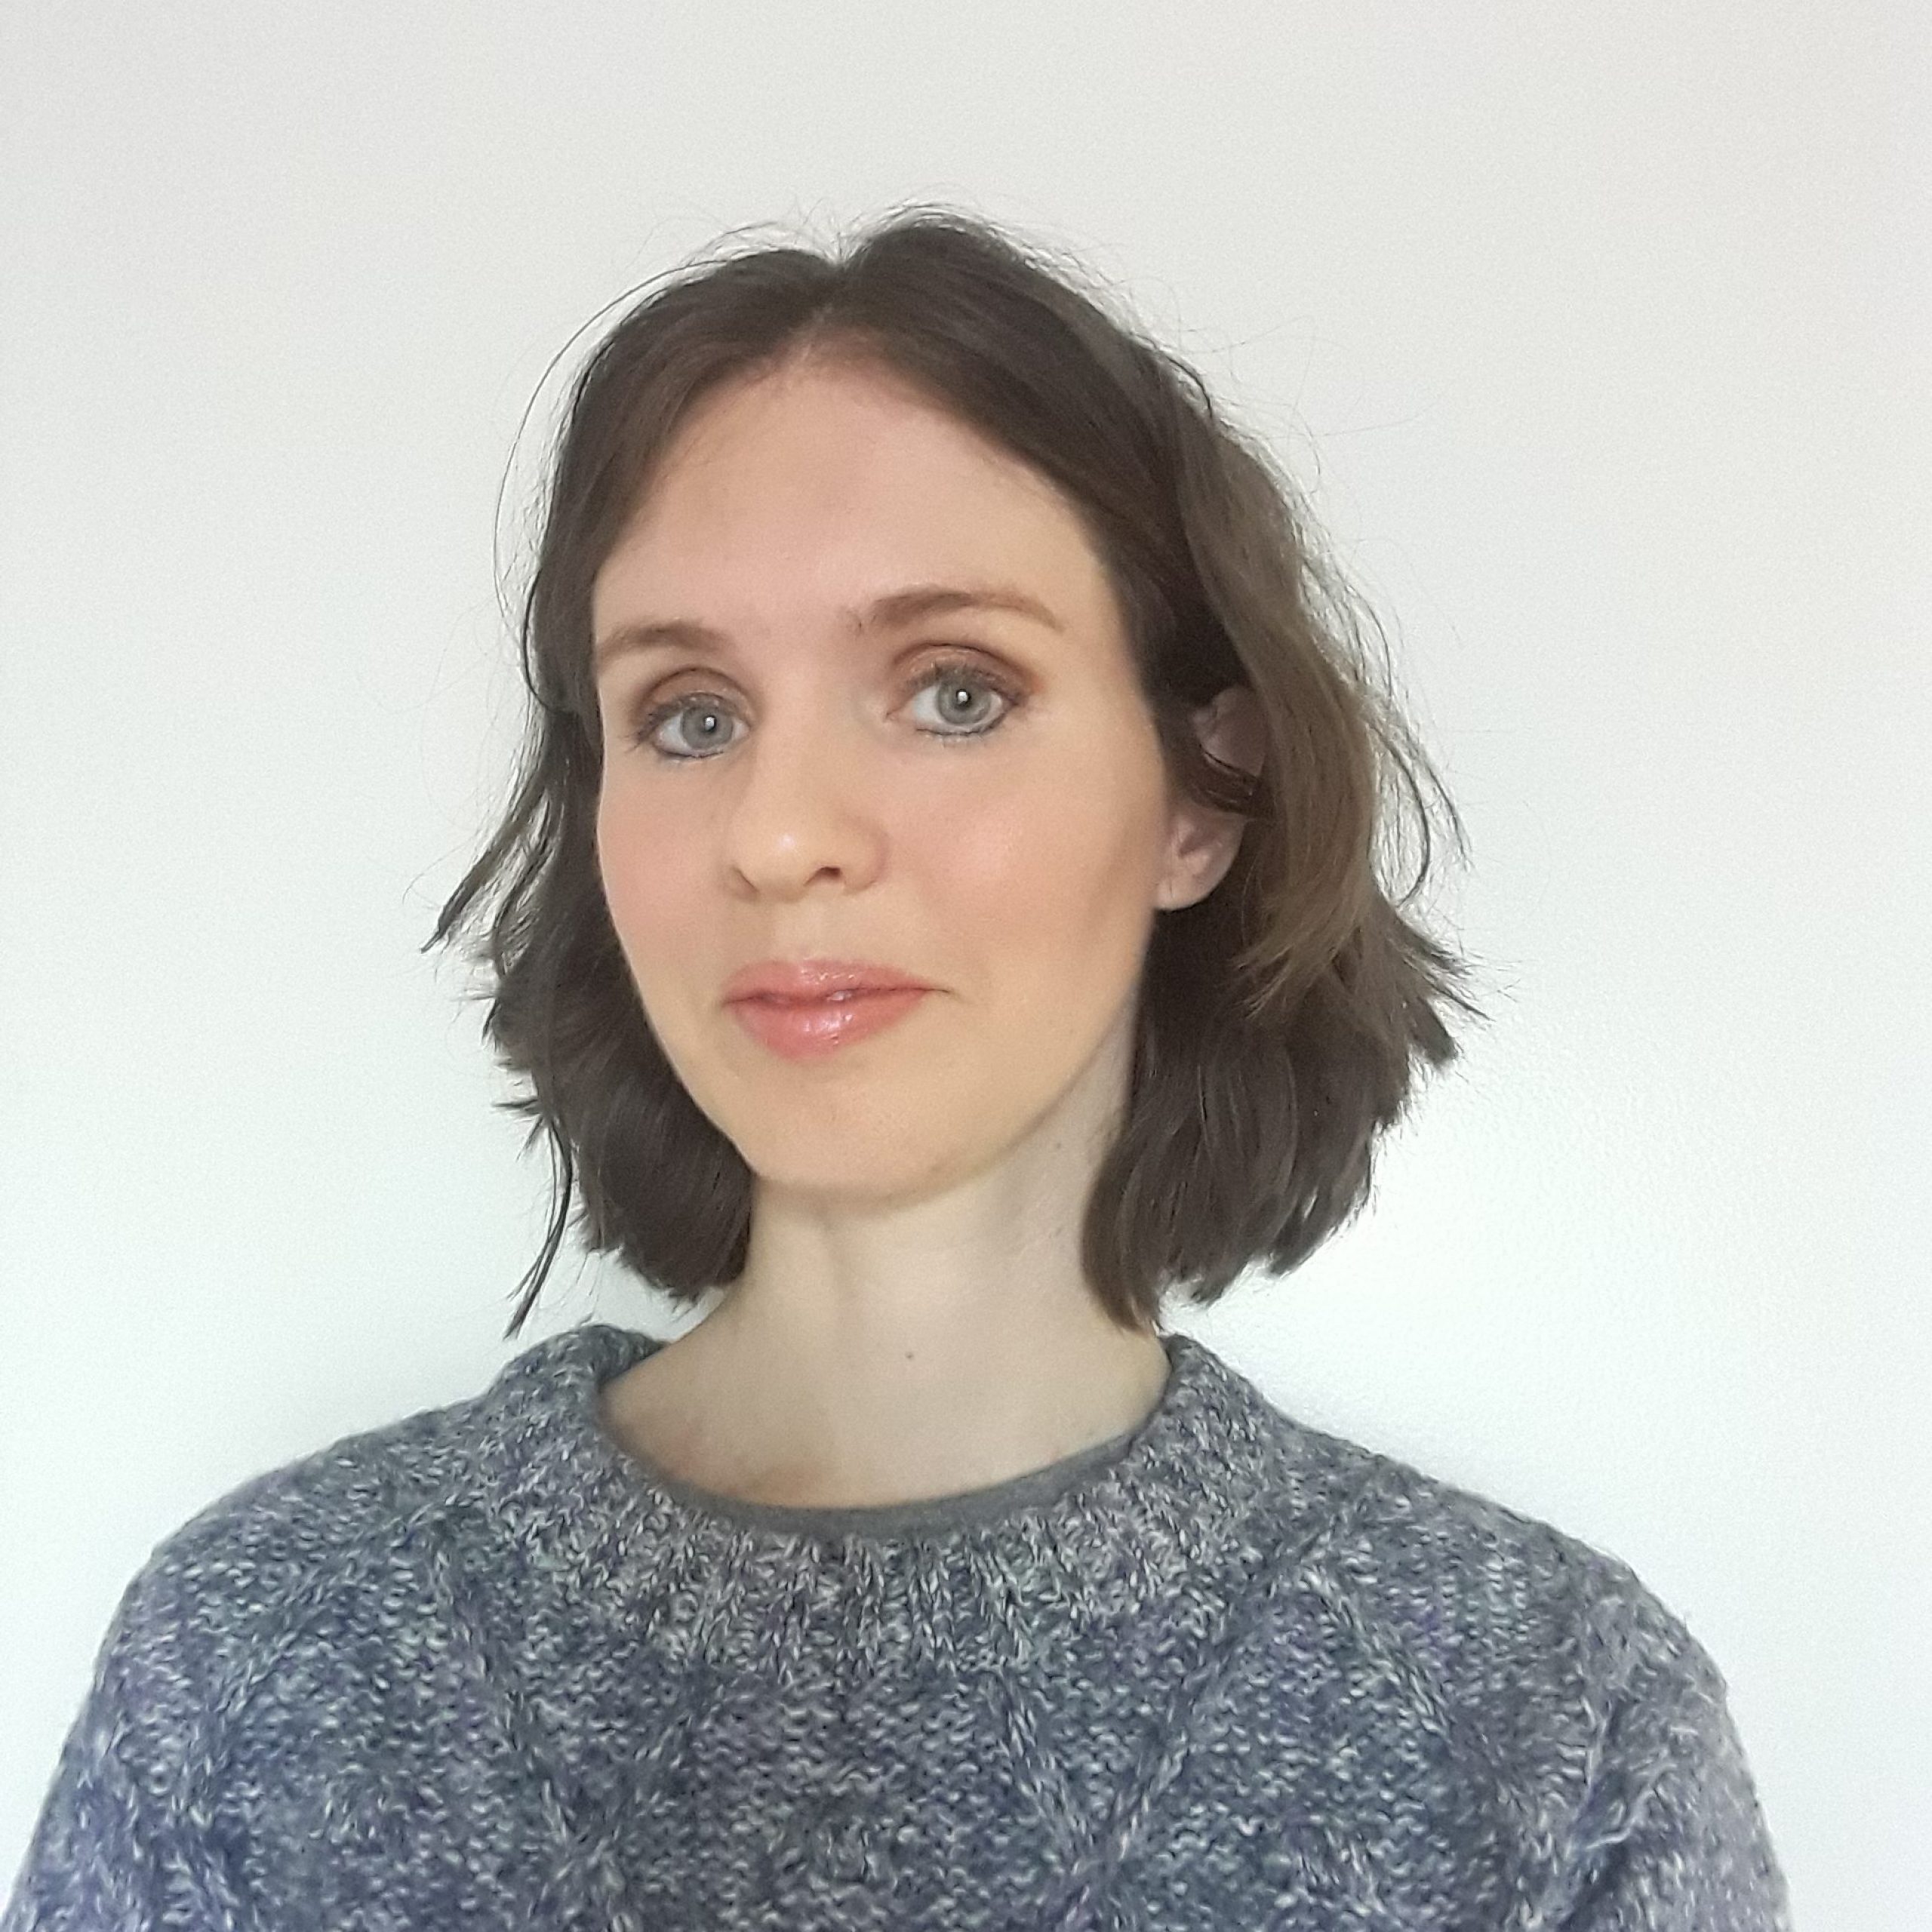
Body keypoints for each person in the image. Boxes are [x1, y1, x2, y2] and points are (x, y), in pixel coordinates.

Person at [3, 206, 1792, 1929]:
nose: (778, 834)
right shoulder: (258, 1666)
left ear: (1202, 794)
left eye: (955, 691)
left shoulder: (1550, 1733)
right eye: (688, 716)